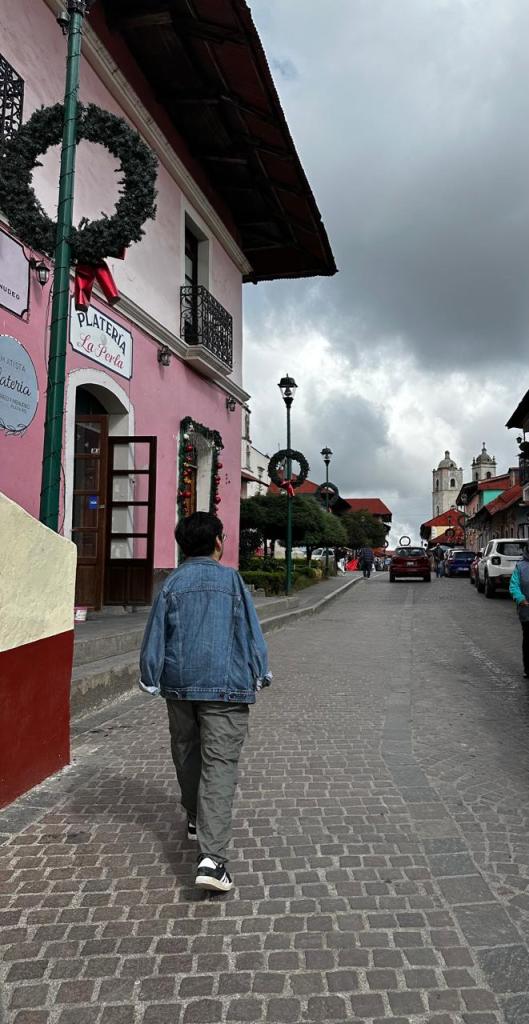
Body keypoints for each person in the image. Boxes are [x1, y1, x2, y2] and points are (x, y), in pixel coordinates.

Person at [139, 512, 271, 893]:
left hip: (180, 686)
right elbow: (250, 629)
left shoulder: (172, 583)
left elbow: (155, 634)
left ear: (182, 545)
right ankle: (212, 860)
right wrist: (260, 670)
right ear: (218, 542)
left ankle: (196, 815)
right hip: (226, 687)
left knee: (186, 753)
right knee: (219, 765)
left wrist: (150, 676)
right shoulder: (232, 581)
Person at [509, 545, 529, 678]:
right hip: (526, 610)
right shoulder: (520, 566)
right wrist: (520, 598)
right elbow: (514, 585)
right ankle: (528, 668)